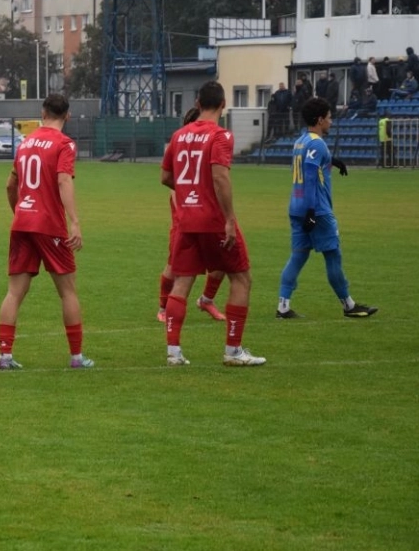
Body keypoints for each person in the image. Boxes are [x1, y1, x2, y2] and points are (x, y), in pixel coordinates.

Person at [160, 81, 265, 367]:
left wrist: (187, 190)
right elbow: (220, 177)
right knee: (241, 278)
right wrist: (229, 219)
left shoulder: (178, 135)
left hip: (186, 219)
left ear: (196, 103)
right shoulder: (220, 136)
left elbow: (166, 177)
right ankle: (233, 350)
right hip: (213, 219)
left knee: (182, 281)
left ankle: (174, 352)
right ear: (223, 105)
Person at [0, 94, 94, 371]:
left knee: (14, 293)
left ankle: (5, 356)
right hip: (49, 225)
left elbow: (9, 186)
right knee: (68, 291)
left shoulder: (25, 143)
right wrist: (74, 221)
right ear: (68, 116)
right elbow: (63, 180)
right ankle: (76, 358)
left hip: (22, 223)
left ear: (43, 112)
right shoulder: (64, 144)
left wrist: (19, 212)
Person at [276, 97, 377, 320]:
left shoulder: (300, 141)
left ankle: (283, 306)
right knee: (333, 256)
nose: (331, 121)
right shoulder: (317, 143)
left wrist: (335, 161)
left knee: (298, 256)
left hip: (295, 207)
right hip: (317, 211)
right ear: (320, 120)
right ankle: (349, 305)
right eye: (329, 118)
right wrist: (312, 212)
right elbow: (311, 175)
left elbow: (314, 163)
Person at [156, 108, 225, 325]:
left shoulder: (207, 147)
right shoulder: (181, 145)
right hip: (186, 220)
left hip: (208, 217)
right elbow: (171, 183)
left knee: (223, 261)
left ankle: (206, 300)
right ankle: (163, 307)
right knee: (176, 268)